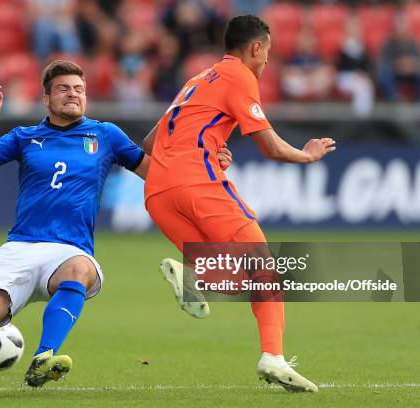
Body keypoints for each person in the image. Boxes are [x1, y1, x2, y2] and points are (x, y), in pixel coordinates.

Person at [0, 60, 231, 395]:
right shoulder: (25, 137)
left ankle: (43, 358)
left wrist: (207, 165)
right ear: (46, 99)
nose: (73, 94)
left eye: (79, 89)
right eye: (63, 89)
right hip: (20, 246)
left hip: (70, 248)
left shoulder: (105, 135)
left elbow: (156, 172)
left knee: (79, 269)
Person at [143, 15, 336, 393]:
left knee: (235, 277)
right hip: (196, 183)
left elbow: (152, 142)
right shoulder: (239, 76)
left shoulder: (197, 80)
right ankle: (273, 358)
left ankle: (193, 275)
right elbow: (270, 145)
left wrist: (210, 149)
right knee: (265, 268)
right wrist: (307, 155)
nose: (266, 64)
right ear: (256, 47)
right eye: (267, 54)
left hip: (158, 192)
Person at [378, 15, 420, 102]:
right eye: (399, 29)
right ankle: (393, 101)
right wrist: (398, 64)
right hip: (394, 73)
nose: (402, 32)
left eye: (404, 29)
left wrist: (411, 64)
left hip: (411, 72)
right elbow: (383, 61)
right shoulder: (389, 44)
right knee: (385, 74)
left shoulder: (413, 43)